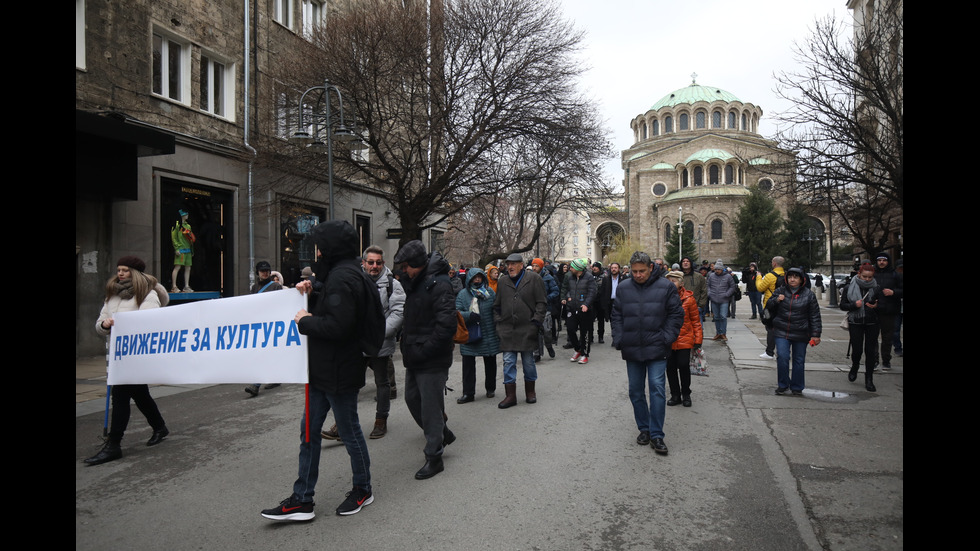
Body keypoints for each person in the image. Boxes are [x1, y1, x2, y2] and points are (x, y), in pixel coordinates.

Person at [261, 221, 382, 521]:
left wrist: (304, 321)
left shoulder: (343, 276)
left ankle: (363, 488)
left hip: (338, 370)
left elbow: (339, 325)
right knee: (309, 432)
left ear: (329, 248)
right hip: (324, 369)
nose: (315, 250)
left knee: (350, 432)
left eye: (319, 245)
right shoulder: (341, 273)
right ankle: (302, 499)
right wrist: (311, 288)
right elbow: (332, 303)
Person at [85, 256, 171, 466]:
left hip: (137, 355)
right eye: (119, 270)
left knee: (120, 396)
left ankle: (114, 444)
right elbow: (99, 325)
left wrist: (125, 325)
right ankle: (159, 426)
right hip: (119, 355)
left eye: (125, 270)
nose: (120, 273)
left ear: (135, 272)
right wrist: (105, 325)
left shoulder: (148, 295)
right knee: (140, 394)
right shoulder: (112, 296)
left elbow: (150, 324)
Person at [322, 245, 406, 440]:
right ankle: (343, 425)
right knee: (349, 385)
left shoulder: (393, 285)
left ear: (383, 263)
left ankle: (381, 421)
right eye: (370, 262)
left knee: (382, 383)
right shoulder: (353, 280)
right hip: (356, 344)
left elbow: (398, 313)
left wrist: (377, 334)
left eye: (378, 262)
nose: (374, 266)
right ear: (364, 263)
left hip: (379, 343)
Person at [393, 240, 458, 480]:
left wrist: (425, 350)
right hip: (415, 355)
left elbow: (446, 325)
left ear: (418, 264)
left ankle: (434, 456)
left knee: (430, 408)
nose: (403, 271)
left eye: (407, 266)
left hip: (431, 357)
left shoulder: (438, 284)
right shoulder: (415, 282)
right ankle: (442, 433)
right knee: (412, 399)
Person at [611, 252, 684, 454]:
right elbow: (616, 314)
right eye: (634, 271)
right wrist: (619, 338)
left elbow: (676, 314)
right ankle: (644, 428)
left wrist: (666, 337)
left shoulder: (666, 287)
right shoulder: (624, 288)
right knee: (635, 390)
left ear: (651, 268)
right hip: (632, 347)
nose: (637, 275)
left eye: (642, 271)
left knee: (657, 388)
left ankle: (657, 434)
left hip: (657, 347)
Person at [494, 254, 548, 408]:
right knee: (508, 362)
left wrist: (536, 322)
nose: (510, 267)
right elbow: (496, 305)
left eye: (514, 264)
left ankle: (530, 392)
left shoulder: (534, 279)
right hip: (507, 329)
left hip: (527, 328)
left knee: (528, 362)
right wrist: (498, 322)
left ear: (521, 265)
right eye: (508, 264)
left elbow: (541, 303)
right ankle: (510, 396)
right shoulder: (503, 281)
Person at [767, 267, 822, 395]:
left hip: (801, 332)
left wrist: (816, 334)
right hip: (782, 331)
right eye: (790, 277)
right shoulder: (780, 291)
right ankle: (783, 384)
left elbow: (815, 316)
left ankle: (797, 387)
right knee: (782, 356)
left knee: (798, 360)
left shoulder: (809, 295)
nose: (792, 279)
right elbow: (768, 306)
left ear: (801, 279)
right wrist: (776, 300)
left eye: (795, 277)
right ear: (786, 278)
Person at [455, 267, 500, 403]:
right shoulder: (463, 294)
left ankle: (490, 388)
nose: (477, 280)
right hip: (470, 333)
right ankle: (468, 393)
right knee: (468, 364)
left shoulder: (490, 293)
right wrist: (469, 316)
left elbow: (496, 309)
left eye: (480, 277)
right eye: (475, 277)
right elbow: (456, 312)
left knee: (490, 361)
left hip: (489, 333)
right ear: (470, 279)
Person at [245, 261, 285, 397]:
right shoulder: (254, 288)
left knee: (265, 353)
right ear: (257, 272)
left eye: (267, 270)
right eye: (262, 271)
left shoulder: (275, 286)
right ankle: (275, 377)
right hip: (259, 324)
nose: (265, 273)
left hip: (272, 324)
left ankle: (256, 384)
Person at [664, 271, 703, 407]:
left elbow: (696, 321)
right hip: (668, 338)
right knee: (670, 367)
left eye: (673, 281)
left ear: (681, 283)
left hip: (685, 338)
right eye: (669, 281)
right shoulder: (662, 298)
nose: (671, 283)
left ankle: (686, 393)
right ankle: (675, 395)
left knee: (683, 365)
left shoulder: (689, 299)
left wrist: (698, 339)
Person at [840, 262, 880, 392]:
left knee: (870, 351)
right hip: (855, 321)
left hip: (872, 322)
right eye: (865, 277)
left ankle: (869, 379)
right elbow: (842, 305)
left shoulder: (876, 288)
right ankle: (855, 366)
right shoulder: (849, 287)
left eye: (870, 277)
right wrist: (853, 305)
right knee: (857, 350)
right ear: (859, 274)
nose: (867, 279)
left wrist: (876, 306)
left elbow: (884, 306)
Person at [560, 258, 597, 364]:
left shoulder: (589, 277)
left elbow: (592, 292)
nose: (569, 268)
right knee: (570, 329)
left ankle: (584, 354)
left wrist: (586, 304)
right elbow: (566, 289)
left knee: (585, 333)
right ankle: (578, 349)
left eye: (571, 267)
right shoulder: (569, 277)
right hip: (572, 307)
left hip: (585, 309)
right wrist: (567, 297)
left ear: (578, 268)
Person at [872, 252, 903, 371]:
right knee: (873, 337)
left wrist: (893, 292)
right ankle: (874, 360)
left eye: (884, 260)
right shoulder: (872, 274)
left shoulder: (895, 275)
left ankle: (886, 360)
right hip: (874, 310)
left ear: (888, 261)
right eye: (879, 260)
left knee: (887, 338)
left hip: (889, 310)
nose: (881, 262)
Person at [756, 256, 786, 360]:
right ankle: (785, 352)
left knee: (770, 328)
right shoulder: (786, 275)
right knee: (782, 329)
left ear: (774, 264)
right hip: (783, 305)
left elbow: (760, 288)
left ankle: (769, 352)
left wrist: (759, 277)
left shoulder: (770, 276)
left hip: (771, 305)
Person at [531, 258, 558, 361]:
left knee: (546, 331)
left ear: (541, 266)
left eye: (536, 266)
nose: (534, 268)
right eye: (533, 265)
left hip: (546, 308)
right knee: (535, 331)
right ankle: (536, 353)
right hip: (533, 309)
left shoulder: (548, 278)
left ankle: (549, 346)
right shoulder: (529, 277)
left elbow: (555, 291)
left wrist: (545, 299)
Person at [599, 262, 629, 342]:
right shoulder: (606, 279)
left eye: (615, 268)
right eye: (612, 268)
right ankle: (615, 338)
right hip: (610, 302)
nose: (614, 269)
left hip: (621, 302)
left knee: (621, 320)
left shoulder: (624, 278)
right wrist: (603, 304)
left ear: (619, 269)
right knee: (613, 321)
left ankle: (621, 337)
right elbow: (602, 292)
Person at [706, 260, 736, 341]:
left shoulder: (728, 277)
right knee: (716, 317)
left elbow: (732, 287)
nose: (717, 271)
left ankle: (723, 333)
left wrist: (727, 294)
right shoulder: (711, 276)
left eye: (718, 269)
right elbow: (708, 285)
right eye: (716, 269)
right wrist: (709, 293)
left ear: (722, 269)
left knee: (723, 316)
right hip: (714, 299)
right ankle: (718, 333)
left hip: (724, 300)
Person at [680, 256, 707, 323]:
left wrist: (700, 305)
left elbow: (704, 291)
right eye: (683, 261)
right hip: (680, 308)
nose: (685, 263)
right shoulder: (677, 276)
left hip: (695, 308)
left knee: (698, 329)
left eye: (687, 261)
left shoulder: (699, 276)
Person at [591, 262, 607, 344]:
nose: (594, 268)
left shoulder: (604, 277)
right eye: (593, 267)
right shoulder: (589, 276)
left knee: (601, 320)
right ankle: (590, 337)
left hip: (600, 301)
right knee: (590, 320)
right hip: (591, 301)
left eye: (596, 267)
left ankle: (601, 336)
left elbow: (605, 289)